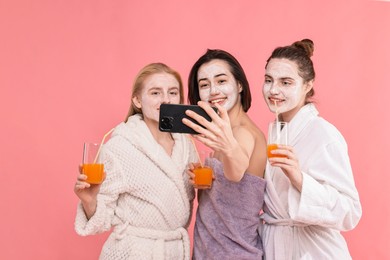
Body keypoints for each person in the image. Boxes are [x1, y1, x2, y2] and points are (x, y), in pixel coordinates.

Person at [74, 63, 197, 259]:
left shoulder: (187, 145)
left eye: (173, 92)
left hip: (174, 251)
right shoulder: (121, 146)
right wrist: (90, 202)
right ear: (138, 100)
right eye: (155, 93)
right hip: (133, 252)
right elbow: (102, 219)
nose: (166, 99)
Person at [260, 39, 362, 259]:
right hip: (277, 246)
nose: (273, 90)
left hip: (314, 251)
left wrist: (299, 179)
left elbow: (350, 212)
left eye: (286, 82)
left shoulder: (324, 134)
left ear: (307, 85)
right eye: (269, 80)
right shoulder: (277, 132)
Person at [183, 49, 268, 259]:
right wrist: (205, 182)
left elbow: (235, 173)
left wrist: (229, 147)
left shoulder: (242, 132)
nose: (213, 91)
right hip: (209, 251)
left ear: (239, 85)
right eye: (204, 84)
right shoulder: (224, 132)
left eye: (221, 81)